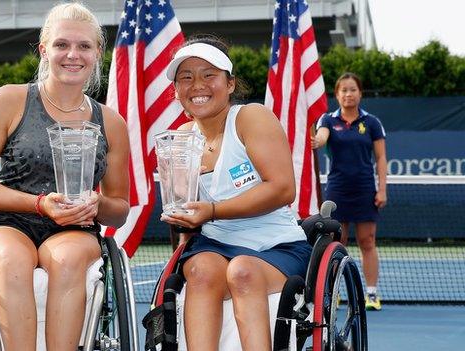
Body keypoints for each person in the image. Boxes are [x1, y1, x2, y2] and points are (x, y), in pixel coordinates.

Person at [0, 3, 130, 350]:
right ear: (44, 49)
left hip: (73, 227)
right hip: (6, 222)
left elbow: (119, 209)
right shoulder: (7, 101)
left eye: (84, 46)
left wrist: (97, 205)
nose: (72, 55)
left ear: (97, 53)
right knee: (13, 261)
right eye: (62, 44)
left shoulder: (112, 123)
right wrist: (38, 204)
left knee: (69, 261)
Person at [161, 36, 312, 351]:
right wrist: (182, 214)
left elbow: (283, 188)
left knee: (242, 271)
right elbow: (189, 214)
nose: (197, 85)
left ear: (229, 84)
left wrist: (212, 210)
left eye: (208, 75)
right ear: (176, 91)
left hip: (276, 244)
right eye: (185, 78)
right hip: (214, 245)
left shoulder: (251, 117)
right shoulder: (180, 139)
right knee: (199, 271)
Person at [311, 72, 387, 311]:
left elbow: (381, 157)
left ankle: (372, 294)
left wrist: (382, 189)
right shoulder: (327, 120)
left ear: (360, 93)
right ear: (337, 94)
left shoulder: (372, 123)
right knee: (337, 242)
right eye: (344, 90)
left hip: (365, 189)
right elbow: (322, 137)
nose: (348, 94)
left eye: (353, 89)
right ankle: (334, 293)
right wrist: (316, 140)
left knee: (367, 241)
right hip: (337, 190)